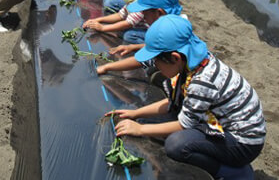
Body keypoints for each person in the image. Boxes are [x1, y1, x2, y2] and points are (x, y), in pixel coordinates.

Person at [111, 15, 266, 179]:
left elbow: (184, 125)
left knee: (176, 145)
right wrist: (136, 114)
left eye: (157, 61)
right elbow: (173, 102)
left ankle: (235, 172)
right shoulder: (193, 62)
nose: (155, 65)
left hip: (243, 144)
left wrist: (140, 129)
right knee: (164, 119)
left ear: (175, 58)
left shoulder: (202, 81)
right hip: (223, 124)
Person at [96, 0, 184, 78]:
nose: (144, 18)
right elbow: (147, 59)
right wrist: (107, 67)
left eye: (145, 14)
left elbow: (149, 59)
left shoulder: (170, 37)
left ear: (159, 13)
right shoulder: (170, 30)